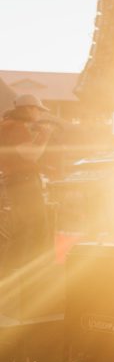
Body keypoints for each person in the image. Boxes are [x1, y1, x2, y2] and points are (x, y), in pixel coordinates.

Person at [0, 94, 55, 269]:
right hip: (24, 183)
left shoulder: (7, 125)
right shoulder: (16, 127)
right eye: (39, 111)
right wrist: (44, 136)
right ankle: (33, 271)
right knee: (38, 227)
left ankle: (13, 271)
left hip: (15, 182)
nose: (40, 116)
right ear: (30, 108)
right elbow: (30, 155)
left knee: (22, 229)